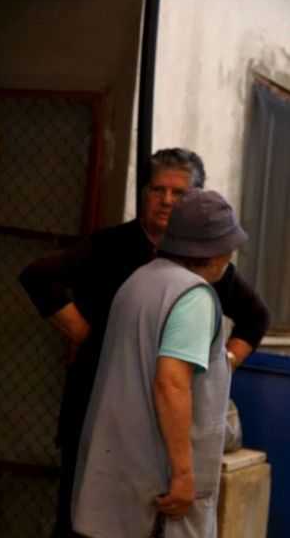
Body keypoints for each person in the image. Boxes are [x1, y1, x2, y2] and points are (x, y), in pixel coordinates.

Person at [18, 148, 269, 537]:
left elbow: (255, 318)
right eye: (158, 190)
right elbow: (170, 382)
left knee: (101, 518)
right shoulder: (184, 290)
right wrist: (90, 340)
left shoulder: (149, 277)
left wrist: (222, 364)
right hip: (119, 419)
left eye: (179, 193)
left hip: (134, 430)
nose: (167, 200)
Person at [71, 189, 246, 537]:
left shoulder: (141, 280)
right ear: (215, 250)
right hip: (158, 495)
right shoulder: (193, 297)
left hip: (117, 482)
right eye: (228, 246)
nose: (230, 255)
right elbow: (171, 383)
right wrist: (183, 475)